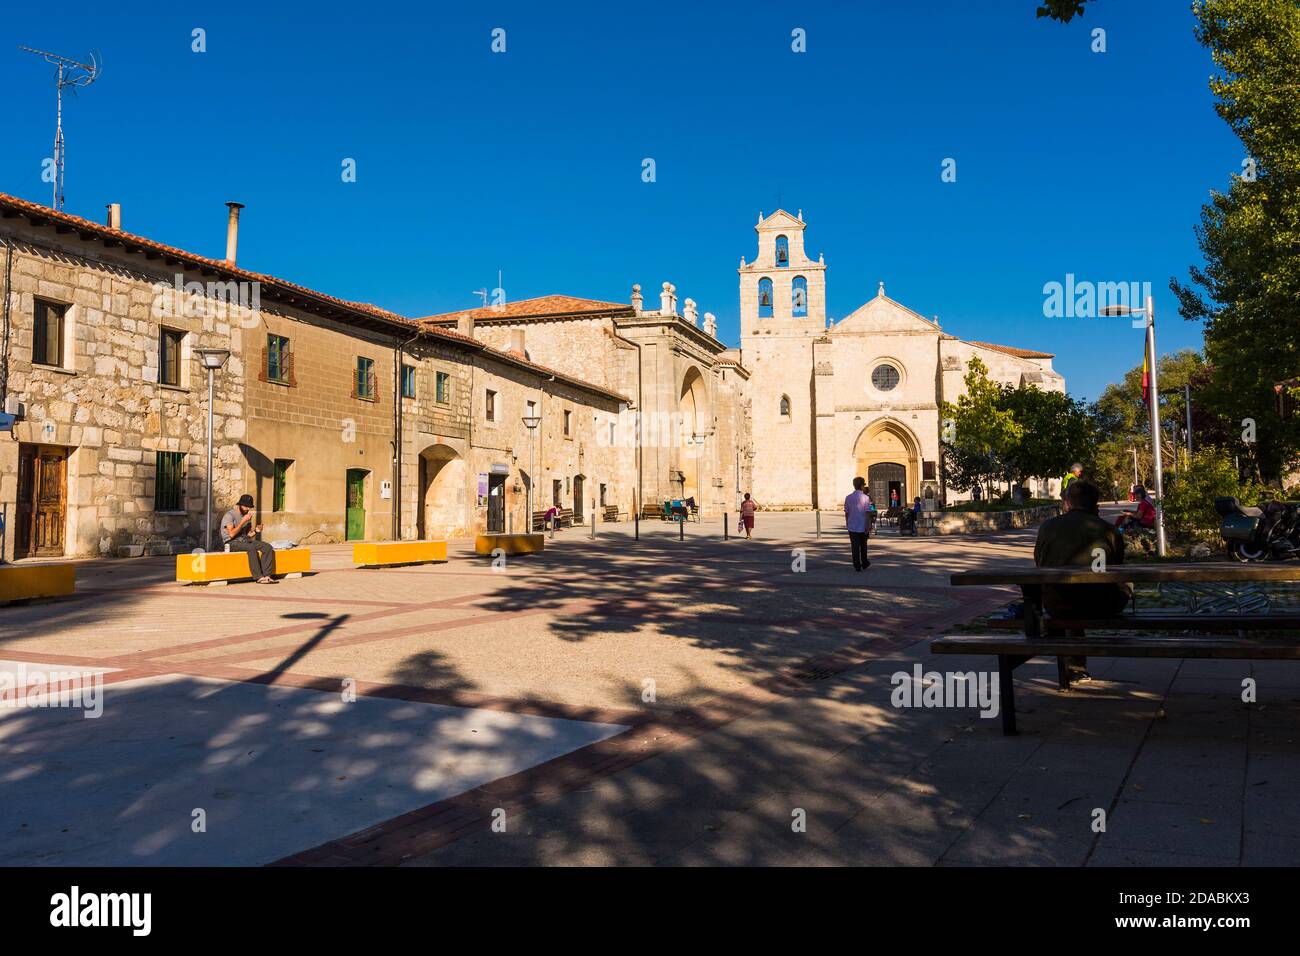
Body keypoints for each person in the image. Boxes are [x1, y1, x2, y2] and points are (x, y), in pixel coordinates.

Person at [1027, 480, 1131, 679]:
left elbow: (1039, 562)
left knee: (1070, 596)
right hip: (1102, 605)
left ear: (1067, 503)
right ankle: (1075, 666)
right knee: (1116, 584)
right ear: (1096, 504)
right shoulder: (1109, 530)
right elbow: (1117, 566)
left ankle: (1075, 666)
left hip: (1057, 604)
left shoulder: (1048, 527)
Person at [220, 493, 276, 583]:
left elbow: (248, 535)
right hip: (231, 543)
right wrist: (242, 522)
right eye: (246, 507)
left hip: (244, 541)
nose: (248, 509)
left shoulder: (246, 516)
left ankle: (267, 576)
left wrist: (256, 531)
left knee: (267, 547)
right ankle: (258, 577)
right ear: (240, 505)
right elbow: (231, 534)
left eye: (249, 507)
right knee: (251, 548)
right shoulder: (229, 515)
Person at [844, 477, 872, 571]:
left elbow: (846, 512)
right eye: (864, 485)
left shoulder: (848, 497)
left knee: (854, 546)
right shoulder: (866, 498)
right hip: (862, 525)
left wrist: (847, 523)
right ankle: (864, 563)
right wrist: (868, 525)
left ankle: (857, 565)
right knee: (863, 545)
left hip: (852, 525)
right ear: (861, 486)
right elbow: (867, 513)